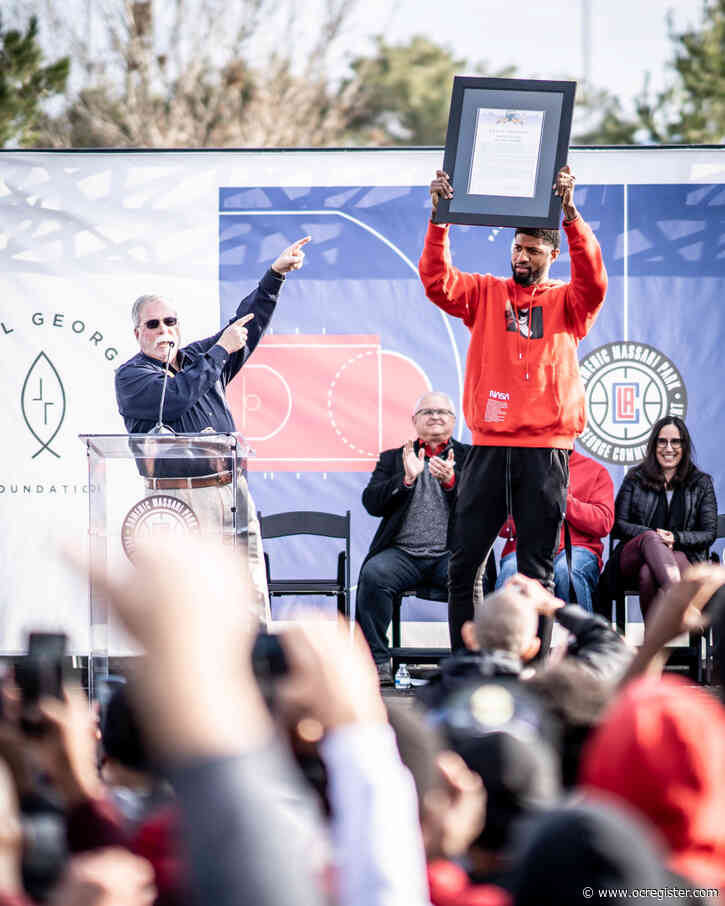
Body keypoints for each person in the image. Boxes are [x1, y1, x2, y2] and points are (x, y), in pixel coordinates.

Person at [419, 166, 608, 655]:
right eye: (517, 248)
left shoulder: (569, 301)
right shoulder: (485, 292)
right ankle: (468, 664)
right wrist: (439, 219)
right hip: (487, 448)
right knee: (466, 565)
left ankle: (534, 668)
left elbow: (595, 282)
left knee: (535, 573)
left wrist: (570, 215)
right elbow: (437, 281)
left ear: (552, 254)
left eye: (532, 250)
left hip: (544, 452)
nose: (521, 256)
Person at [115, 236, 310, 621]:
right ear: (137, 334)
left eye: (170, 322)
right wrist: (220, 351)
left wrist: (273, 277)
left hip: (230, 490)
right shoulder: (132, 375)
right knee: (188, 599)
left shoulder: (195, 359)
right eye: (152, 325)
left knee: (248, 589)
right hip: (177, 499)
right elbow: (174, 399)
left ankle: (256, 673)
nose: (163, 330)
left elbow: (243, 328)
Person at [355, 392, 471, 685]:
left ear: (454, 421)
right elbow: (371, 503)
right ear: (414, 420)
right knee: (373, 574)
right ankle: (378, 661)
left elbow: (484, 507)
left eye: (442, 412)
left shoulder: (472, 457)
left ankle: (468, 661)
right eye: (427, 411)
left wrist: (452, 484)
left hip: (451, 555)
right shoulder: (394, 458)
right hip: (402, 555)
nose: (434, 416)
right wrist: (405, 480)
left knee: (472, 579)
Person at [598, 416, 718, 622]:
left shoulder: (701, 483)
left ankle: (654, 646)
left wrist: (675, 538)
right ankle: (681, 603)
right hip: (633, 556)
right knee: (650, 539)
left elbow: (708, 533)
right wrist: (653, 536)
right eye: (662, 441)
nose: (668, 448)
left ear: (684, 445)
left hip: (682, 555)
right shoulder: (635, 478)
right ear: (654, 445)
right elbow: (617, 524)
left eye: (675, 442)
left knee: (647, 575)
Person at [496, 450, 614, 612]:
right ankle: (503, 637)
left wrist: (564, 501)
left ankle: (580, 636)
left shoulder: (595, 470)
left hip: (577, 548)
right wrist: (529, 504)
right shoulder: (518, 467)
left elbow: (603, 523)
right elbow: (504, 529)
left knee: (567, 572)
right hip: (527, 548)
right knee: (511, 570)